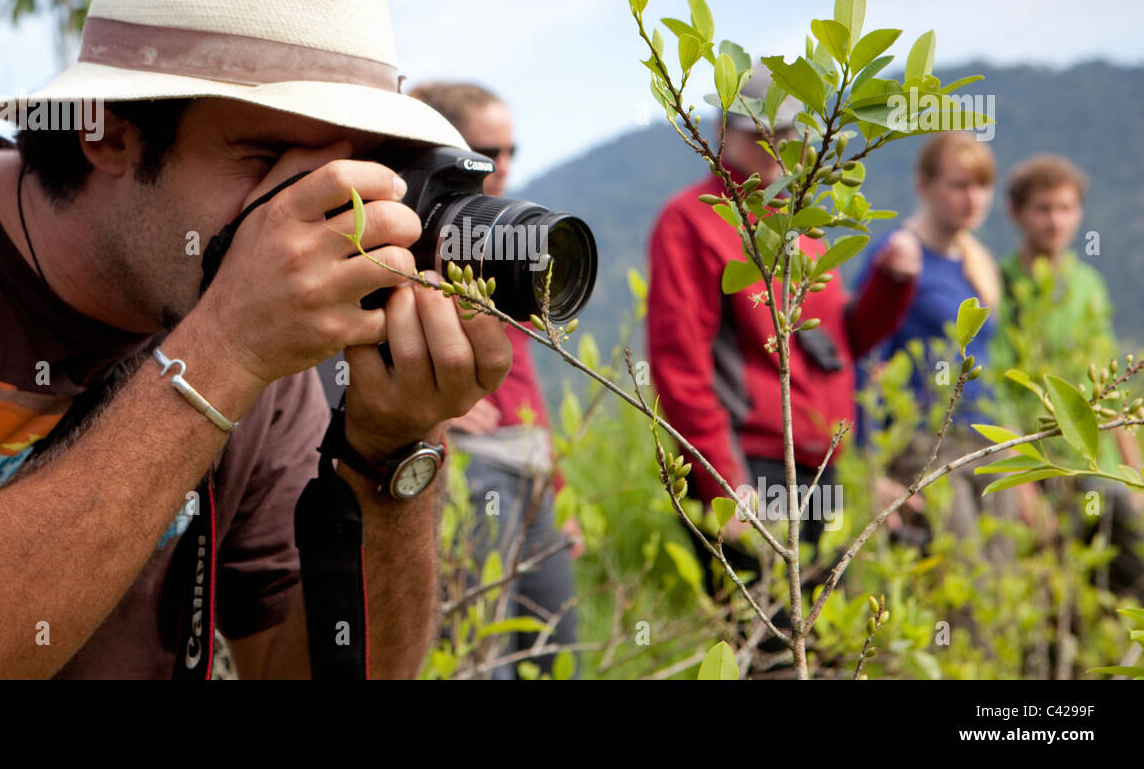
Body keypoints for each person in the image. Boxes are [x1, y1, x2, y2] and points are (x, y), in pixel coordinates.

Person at [0, 0, 512, 679]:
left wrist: (389, 461)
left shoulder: (254, 312)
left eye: (344, 171)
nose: (308, 217)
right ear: (109, 134)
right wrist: (226, 345)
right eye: (266, 157)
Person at [647, 68, 921, 577]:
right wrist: (724, 481)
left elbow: (840, 344)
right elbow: (679, 362)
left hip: (818, 465)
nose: (775, 145)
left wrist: (890, 284)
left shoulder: (802, 223)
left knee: (816, 642)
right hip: (750, 465)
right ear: (722, 133)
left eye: (788, 132)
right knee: (770, 644)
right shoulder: (691, 222)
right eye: (759, 133)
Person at [408, 81, 579, 678]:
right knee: (486, 655)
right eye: (487, 151)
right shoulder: (413, 234)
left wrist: (556, 486)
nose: (502, 166)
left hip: (528, 460)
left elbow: (524, 380)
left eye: (512, 151)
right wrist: (439, 410)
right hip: (473, 462)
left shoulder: (504, 231)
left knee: (558, 643)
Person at [855, 130, 1020, 548]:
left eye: (982, 185)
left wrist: (1017, 447)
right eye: (959, 185)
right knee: (960, 577)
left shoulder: (978, 263)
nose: (973, 199)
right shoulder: (897, 258)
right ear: (923, 185)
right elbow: (862, 360)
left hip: (989, 440)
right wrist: (870, 470)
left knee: (1004, 574)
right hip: (927, 441)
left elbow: (992, 364)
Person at [994, 154, 1142, 595]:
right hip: (1041, 470)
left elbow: (1111, 387)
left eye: (1065, 208)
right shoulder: (1001, 288)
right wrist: (1022, 491)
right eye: (1043, 209)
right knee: (1052, 609)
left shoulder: (1090, 285)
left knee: (1125, 589)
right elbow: (997, 394)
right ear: (1017, 213)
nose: (1055, 221)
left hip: (1099, 469)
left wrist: (1135, 475)